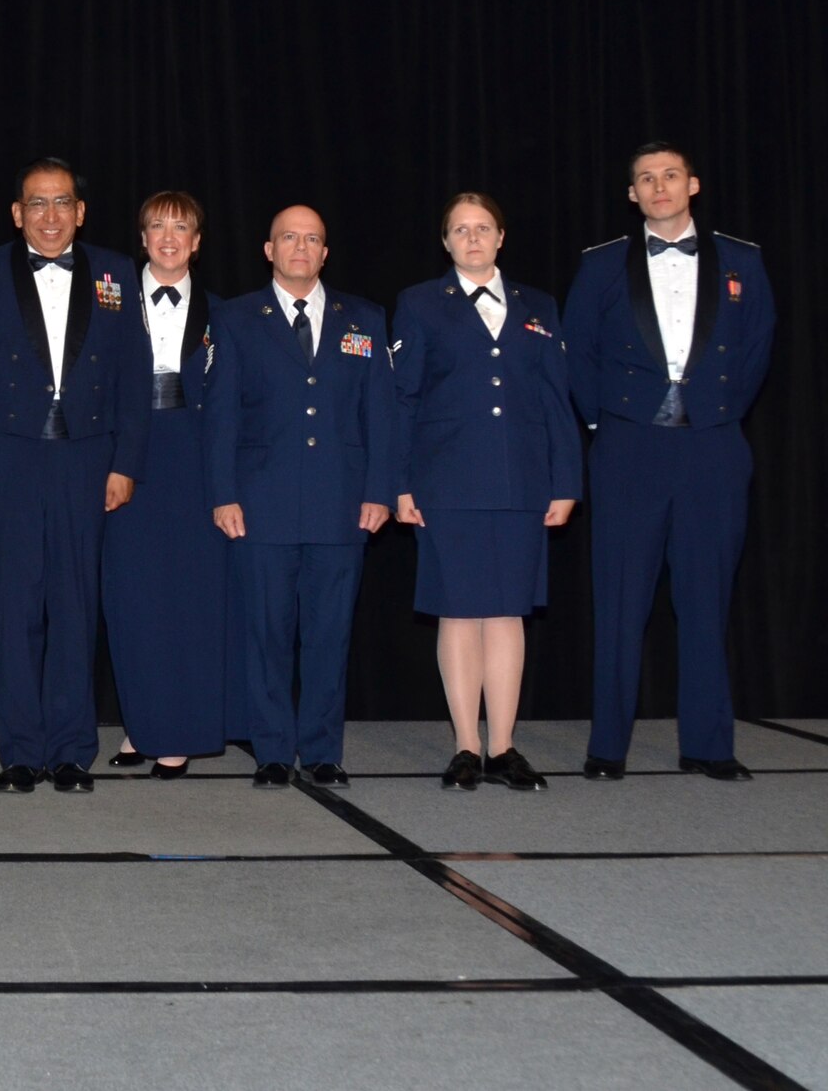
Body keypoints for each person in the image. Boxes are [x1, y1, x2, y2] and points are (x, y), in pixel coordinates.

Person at [563, 142, 774, 782]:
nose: (659, 187)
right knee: (621, 600)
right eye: (646, 179)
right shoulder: (601, 266)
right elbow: (578, 351)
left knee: (706, 598)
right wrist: (606, 422)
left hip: (712, 448)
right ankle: (608, 748)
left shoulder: (743, 260)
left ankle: (709, 745)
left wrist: (714, 413)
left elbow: (759, 346)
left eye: (670, 176)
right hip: (630, 449)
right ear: (633, 195)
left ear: (693, 185)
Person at [0, 157, 149, 794]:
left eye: (63, 202)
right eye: (37, 203)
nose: (51, 216)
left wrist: (126, 463)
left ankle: (69, 750)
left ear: (81, 212)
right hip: (8, 459)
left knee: (74, 605)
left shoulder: (118, 274)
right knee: (15, 608)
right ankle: (19, 752)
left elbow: (134, 378)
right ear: (16, 214)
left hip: (87, 460)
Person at [391, 193, 580, 792]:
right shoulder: (420, 304)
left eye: (483, 229)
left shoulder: (539, 306)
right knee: (458, 610)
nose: (472, 239)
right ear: (445, 242)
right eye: (460, 230)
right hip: (447, 481)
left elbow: (557, 400)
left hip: (522, 480)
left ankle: (503, 746)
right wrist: (399, 483)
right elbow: (403, 400)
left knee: (507, 612)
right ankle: (465, 746)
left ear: (501, 237)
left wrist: (567, 480)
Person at [204, 204, 392, 790]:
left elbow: (382, 416)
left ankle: (323, 749)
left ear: (325, 252)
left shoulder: (364, 318)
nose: (301, 248)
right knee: (267, 633)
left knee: (330, 633)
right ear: (269, 249)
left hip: (342, 503)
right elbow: (221, 419)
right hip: (261, 505)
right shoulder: (235, 320)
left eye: (312, 239)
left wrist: (380, 490)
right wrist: (223, 494)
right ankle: (273, 752)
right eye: (289, 238)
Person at [101, 192, 226, 779]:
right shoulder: (109, 303)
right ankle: (141, 724)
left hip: (194, 459)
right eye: (157, 226)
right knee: (132, 596)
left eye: (182, 228)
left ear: (197, 242)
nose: (169, 237)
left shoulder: (224, 313)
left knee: (189, 597)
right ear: (143, 238)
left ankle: (178, 732)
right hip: (129, 453)